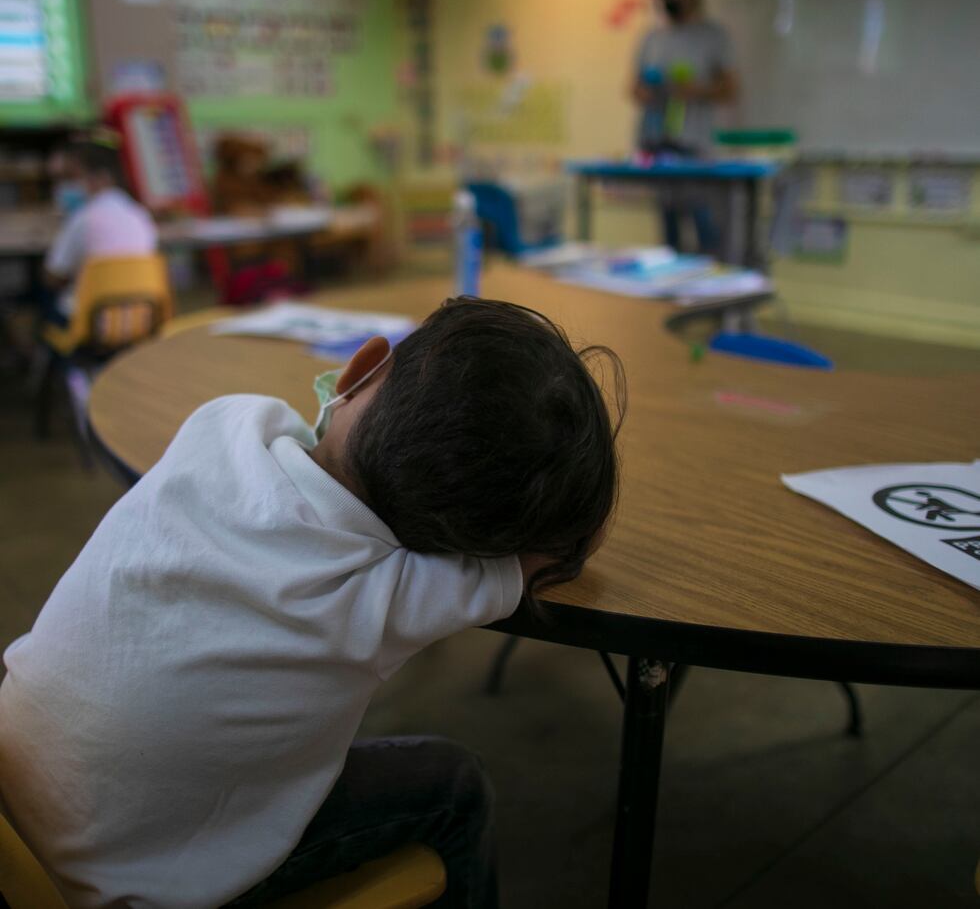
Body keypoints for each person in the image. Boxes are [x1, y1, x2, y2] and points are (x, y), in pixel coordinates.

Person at [0, 297, 626, 908]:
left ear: (357, 370)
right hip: (126, 888)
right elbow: (562, 550)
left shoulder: (225, 423)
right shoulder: (389, 596)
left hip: (17, 790)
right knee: (454, 787)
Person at [630, 0, 739, 254]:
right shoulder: (652, 38)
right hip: (657, 146)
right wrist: (646, 92)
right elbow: (634, 87)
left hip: (695, 150)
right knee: (669, 236)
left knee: (705, 230)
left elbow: (731, 89)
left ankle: (710, 295)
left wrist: (695, 90)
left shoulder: (712, 35)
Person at [42, 129, 157, 324]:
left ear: (101, 177)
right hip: (141, 316)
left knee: (42, 295)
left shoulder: (83, 219)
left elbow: (54, 276)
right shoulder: (140, 214)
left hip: (91, 319)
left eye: (71, 177)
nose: (65, 187)